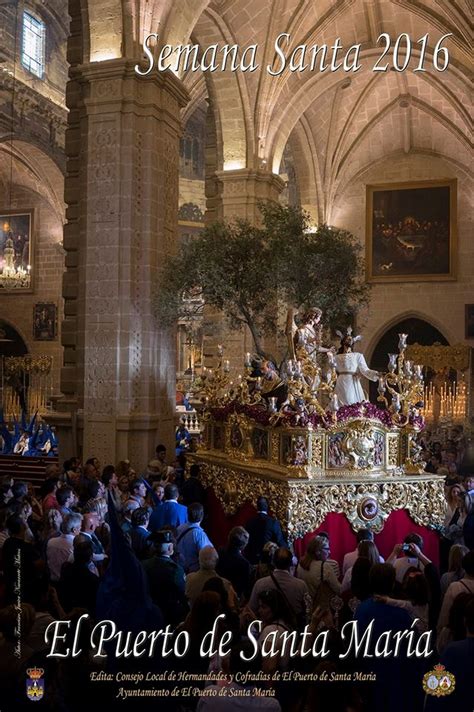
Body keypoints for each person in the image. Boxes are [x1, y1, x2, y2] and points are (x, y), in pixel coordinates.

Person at [248, 547, 310, 627]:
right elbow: (308, 611)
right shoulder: (301, 585)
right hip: (292, 631)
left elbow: (252, 609)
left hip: (267, 630)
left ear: (273, 563)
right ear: (291, 563)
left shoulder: (260, 584)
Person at [142, 529, 188, 625]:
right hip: (169, 615)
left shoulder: (143, 565)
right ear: (170, 547)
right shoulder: (175, 570)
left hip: (148, 612)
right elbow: (183, 592)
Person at [332, 327, 378, 406]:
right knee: (340, 402)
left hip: (352, 381)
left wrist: (376, 374)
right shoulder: (336, 357)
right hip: (341, 381)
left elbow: (365, 370)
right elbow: (332, 370)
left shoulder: (358, 356)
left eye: (351, 339)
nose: (350, 340)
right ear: (343, 341)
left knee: (351, 400)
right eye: (348, 339)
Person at [244, 496, 287, 565]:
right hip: (268, 560)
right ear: (267, 507)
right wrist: (288, 552)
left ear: (257, 506)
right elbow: (279, 540)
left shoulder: (249, 522)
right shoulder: (273, 522)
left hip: (251, 559)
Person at [296, 535, 341, 599]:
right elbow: (338, 589)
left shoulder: (300, 565)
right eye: (327, 549)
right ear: (318, 551)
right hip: (321, 606)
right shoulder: (325, 567)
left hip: (306, 605)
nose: (329, 552)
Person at [175, 502, 213, 573]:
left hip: (179, 569)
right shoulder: (199, 534)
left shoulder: (179, 528)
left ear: (188, 515)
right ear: (202, 516)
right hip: (193, 572)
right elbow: (207, 555)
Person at [217, 526, 252, 600]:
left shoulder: (220, 551)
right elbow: (244, 588)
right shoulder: (244, 564)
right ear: (244, 545)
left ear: (229, 538)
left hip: (217, 592)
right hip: (233, 598)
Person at [46, 512, 83, 582]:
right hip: (68, 585)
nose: (81, 529)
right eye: (80, 526)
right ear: (74, 529)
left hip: (52, 582)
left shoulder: (50, 542)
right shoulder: (76, 546)